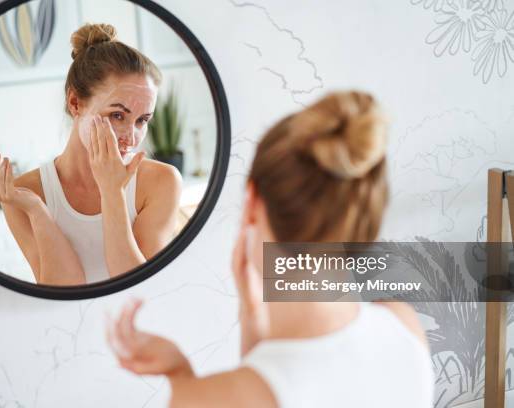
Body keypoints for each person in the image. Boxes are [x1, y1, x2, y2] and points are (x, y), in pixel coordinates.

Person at [106, 91, 434, 407]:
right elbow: (279, 379)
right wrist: (252, 317)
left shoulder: (218, 399)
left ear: (252, 203)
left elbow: (270, 386)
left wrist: (182, 378)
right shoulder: (403, 324)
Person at [0, 23, 182, 286]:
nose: (131, 137)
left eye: (142, 120)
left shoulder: (162, 182)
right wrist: (38, 211)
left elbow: (137, 287)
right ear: (75, 103)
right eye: (117, 115)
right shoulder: (25, 192)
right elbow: (62, 289)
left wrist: (112, 192)